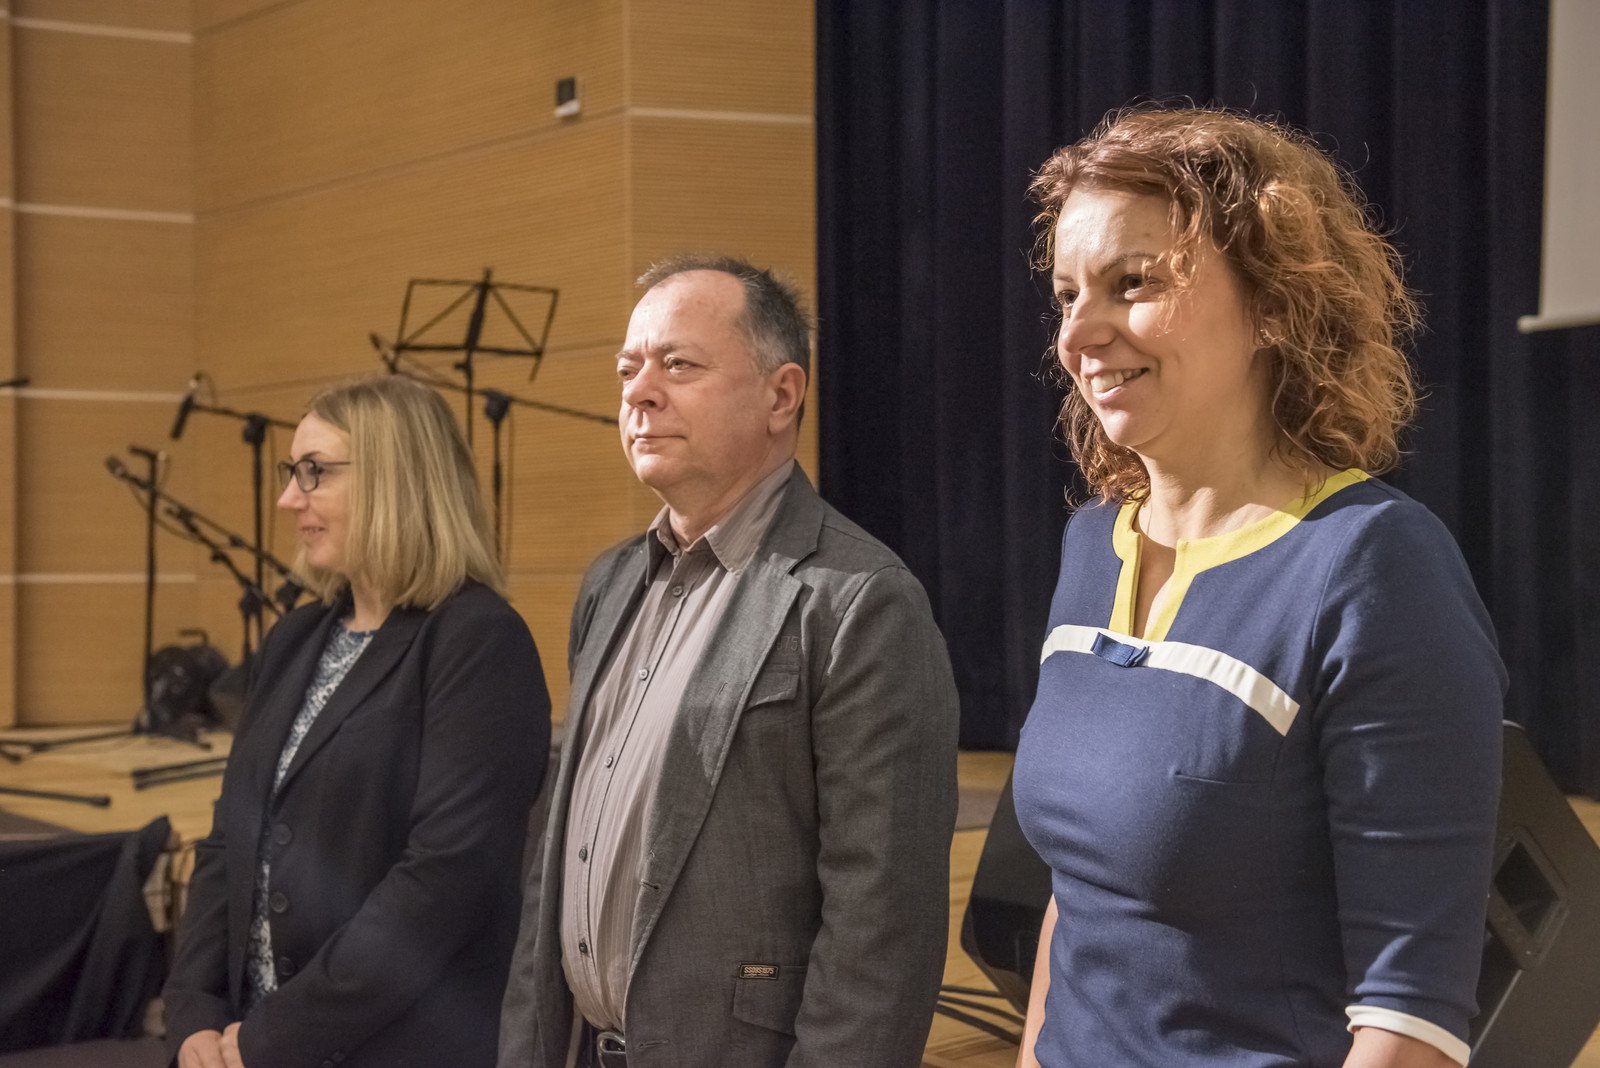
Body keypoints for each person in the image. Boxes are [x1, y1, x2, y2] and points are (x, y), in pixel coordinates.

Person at [1013, 107, 1505, 1068]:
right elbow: (1080, 899)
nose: (1080, 331)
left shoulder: (1374, 566)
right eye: (1068, 293)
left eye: (1133, 282)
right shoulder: (1091, 546)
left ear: (1276, 304)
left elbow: (1411, 1022)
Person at [497, 256, 960, 1068]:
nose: (639, 393)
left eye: (677, 365)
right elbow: (556, 864)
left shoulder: (859, 600)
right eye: (628, 370)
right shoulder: (609, 581)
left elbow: (881, 931)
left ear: (782, 396)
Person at [163, 375, 551, 1068]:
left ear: (394, 480)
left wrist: (272, 1037)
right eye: (291, 472)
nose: (289, 499)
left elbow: (441, 885)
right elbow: (230, 838)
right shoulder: (295, 637)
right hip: (241, 1042)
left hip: (388, 1045)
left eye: (315, 472)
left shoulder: (477, 641)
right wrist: (195, 1012)